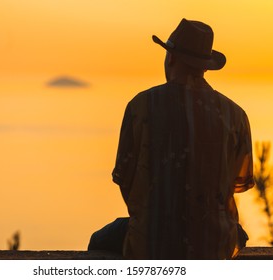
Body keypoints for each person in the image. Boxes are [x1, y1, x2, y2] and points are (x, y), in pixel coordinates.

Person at [88, 18, 254, 259]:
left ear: (171, 58)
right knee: (236, 233)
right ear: (205, 66)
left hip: (151, 240)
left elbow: (125, 180)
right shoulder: (235, 115)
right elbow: (238, 183)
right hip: (212, 243)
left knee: (99, 240)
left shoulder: (141, 107)